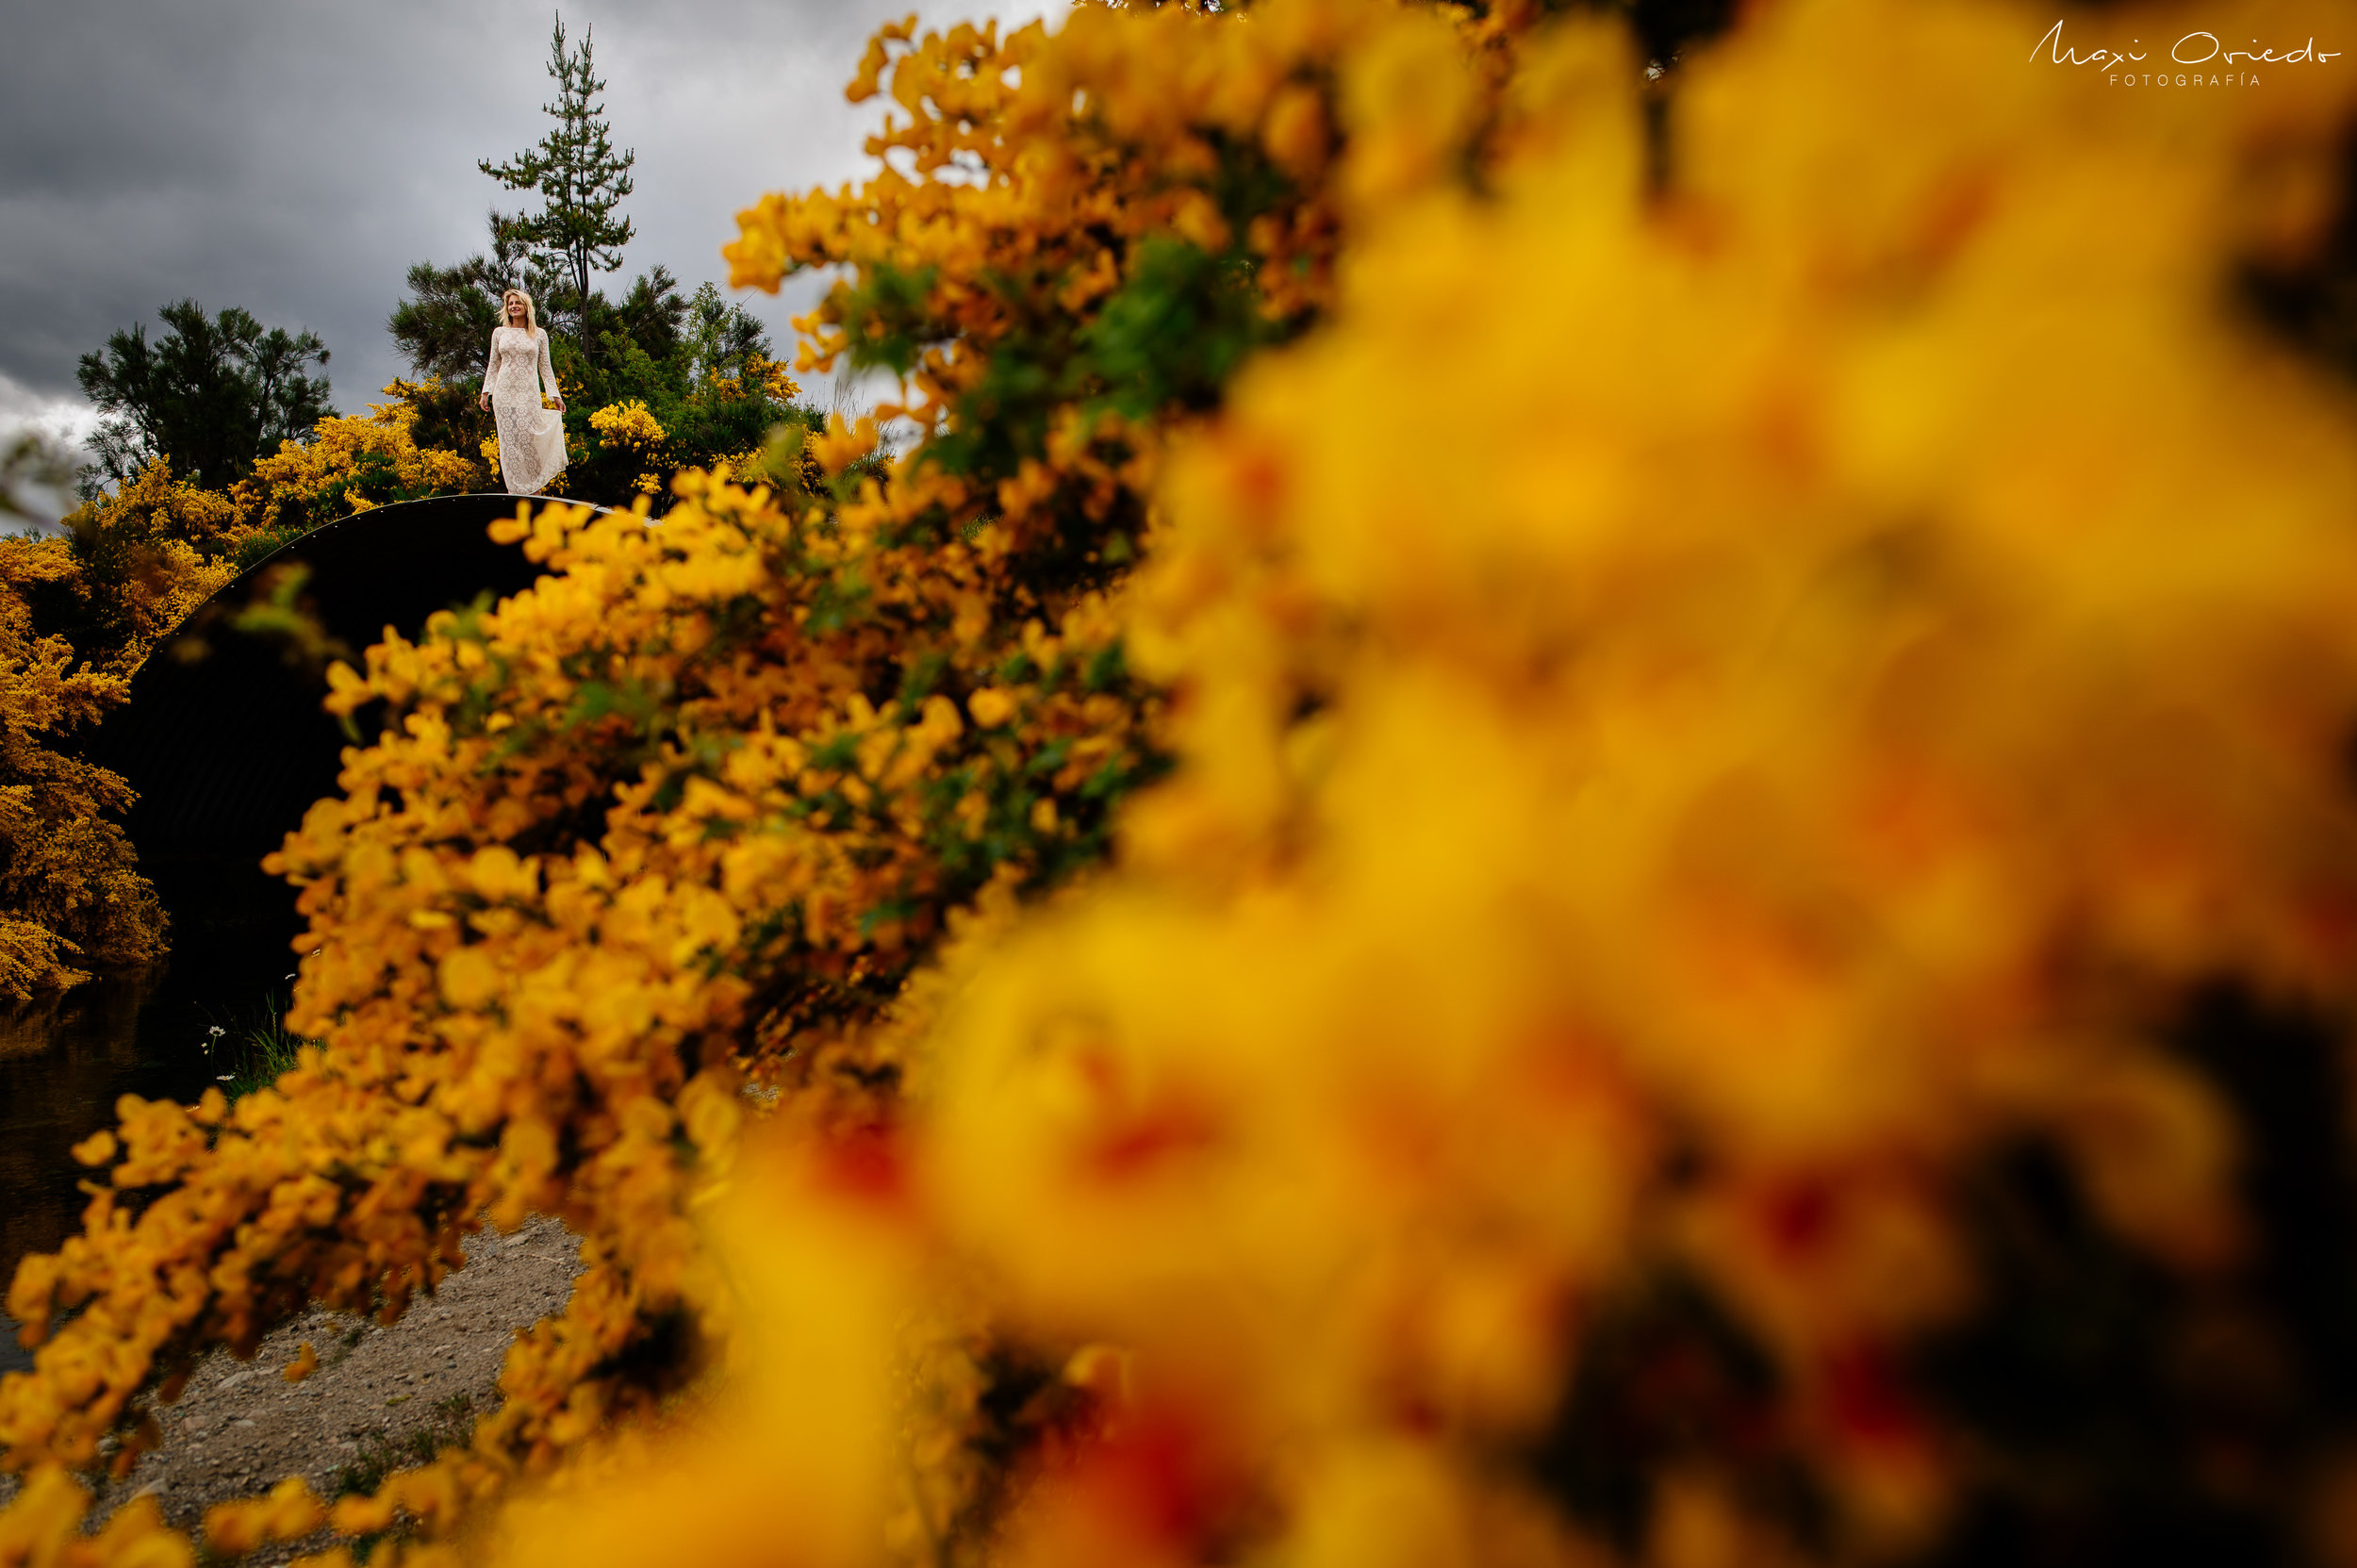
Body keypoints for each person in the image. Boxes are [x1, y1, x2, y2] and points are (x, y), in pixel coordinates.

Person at [477, 289, 568, 495]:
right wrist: (486, 392)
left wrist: (555, 395)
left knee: (529, 440)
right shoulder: (499, 333)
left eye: (518, 303)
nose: (514, 306)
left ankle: (535, 491)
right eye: (510, 303)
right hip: (504, 393)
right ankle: (515, 492)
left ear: (527, 307)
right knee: (509, 444)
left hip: (529, 394)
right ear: (506, 308)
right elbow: (493, 365)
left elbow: (545, 367)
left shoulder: (539, 334)